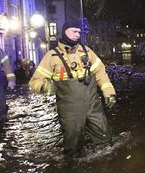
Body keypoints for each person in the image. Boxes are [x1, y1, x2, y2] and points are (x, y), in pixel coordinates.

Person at [28, 20, 117, 155]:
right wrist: (45, 87)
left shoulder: (87, 52)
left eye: (79, 32)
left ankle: (106, 166)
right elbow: (35, 81)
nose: (77, 35)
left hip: (92, 104)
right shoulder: (52, 56)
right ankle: (73, 170)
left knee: (105, 139)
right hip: (69, 108)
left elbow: (100, 72)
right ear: (65, 31)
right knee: (73, 144)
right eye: (74, 31)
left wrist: (109, 93)